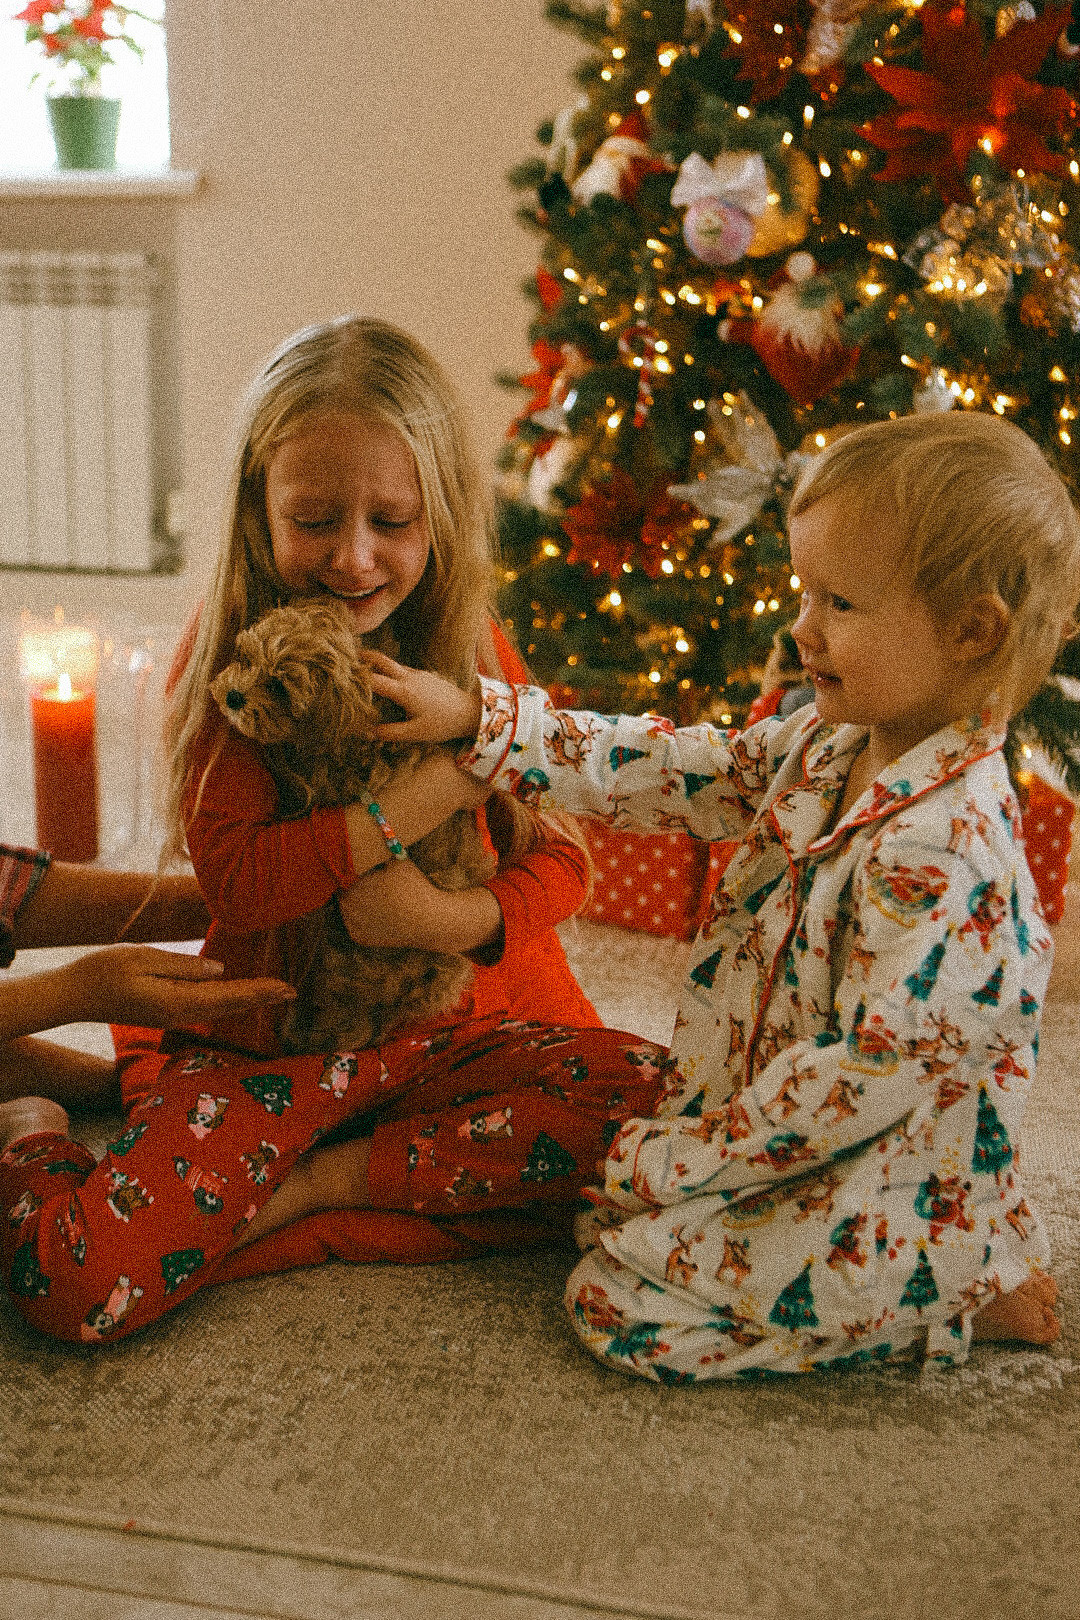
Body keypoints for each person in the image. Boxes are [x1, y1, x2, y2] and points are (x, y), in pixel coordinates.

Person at [362, 410, 1077, 1380]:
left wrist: (688, 1163)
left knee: (616, 1301)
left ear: (969, 633)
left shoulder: (948, 854)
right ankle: (936, 1266)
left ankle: (942, 1295)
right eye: (802, 592)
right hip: (777, 1128)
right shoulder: (829, 743)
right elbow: (666, 769)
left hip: (877, 1180)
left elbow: (855, 1083)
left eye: (841, 605)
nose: (801, 628)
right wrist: (483, 722)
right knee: (603, 1204)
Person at [0, 317, 667, 1344]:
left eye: (391, 520)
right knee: (84, 1285)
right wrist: (429, 795)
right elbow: (246, 890)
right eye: (314, 520)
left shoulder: (468, 644)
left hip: (454, 1037)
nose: (353, 558)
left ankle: (321, 1186)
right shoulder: (237, 670)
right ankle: (42, 1128)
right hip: (275, 1045)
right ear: (259, 514)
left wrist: (451, 920)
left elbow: (563, 856)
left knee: (670, 1133)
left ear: (439, 515)